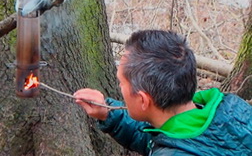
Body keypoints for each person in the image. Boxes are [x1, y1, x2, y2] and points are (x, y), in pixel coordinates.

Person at [74, 29, 252, 156]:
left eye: (121, 82)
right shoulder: (232, 109)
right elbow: (155, 139)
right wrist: (109, 114)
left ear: (143, 100)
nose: (119, 87)